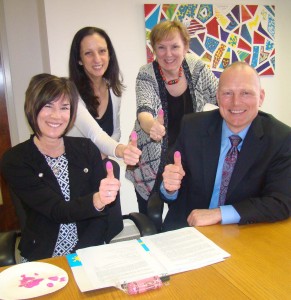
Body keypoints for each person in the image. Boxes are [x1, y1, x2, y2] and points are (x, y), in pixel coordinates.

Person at [1, 74, 123, 261]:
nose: (56, 116)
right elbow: (57, 210)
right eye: (48, 105)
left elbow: (103, 217)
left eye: (64, 107)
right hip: (45, 256)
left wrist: (81, 256)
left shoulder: (86, 149)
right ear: (32, 107)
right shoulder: (16, 160)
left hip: (89, 250)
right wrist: (97, 200)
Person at [161, 61, 291, 231]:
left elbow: (280, 202)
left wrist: (220, 213)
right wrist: (169, 188)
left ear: (261, 97)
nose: (236, 103)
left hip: (243, 232)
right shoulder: (192, 127)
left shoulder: (280, 138)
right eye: (228, 93)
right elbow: (169, 188)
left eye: (246, 93)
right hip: (188, 228)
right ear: (217, 96)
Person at [125, 20, 218, 214]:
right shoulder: (146, 73)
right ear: (153, 50)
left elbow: (220, 94)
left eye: (175, 46)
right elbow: (144, 110)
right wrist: (152, 126)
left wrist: (245, 97)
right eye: (161, 47)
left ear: (185, 47)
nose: (168, 54)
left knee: (185, 215)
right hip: (150, 159)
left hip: (187, 157)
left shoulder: (196, 67)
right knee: (151, 216)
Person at [68, 26, 141, 165]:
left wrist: (107, 152)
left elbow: (115, 133)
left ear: (109, 54)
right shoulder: (69, 93)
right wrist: (121, 151)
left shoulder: (113, 89)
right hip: (74, 169)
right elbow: (94, 134)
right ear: (79, 60)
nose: (97, 59)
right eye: (88, 53)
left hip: (100, 167)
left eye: (102, 51)